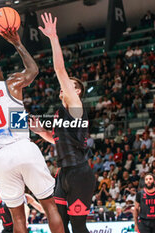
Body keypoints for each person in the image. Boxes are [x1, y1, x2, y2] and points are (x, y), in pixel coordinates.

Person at [0, 26, 63, 233]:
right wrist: (17, 43)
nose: (1, 71)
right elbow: (33, 70)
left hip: (1, 158)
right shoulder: (11, 84)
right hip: (23, 147)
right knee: (50, 206)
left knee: (17, 218)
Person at [32, 12, 95, 233]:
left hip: (79, 173)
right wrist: (41, 132)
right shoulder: (61, 114)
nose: (65, 86)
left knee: (78, 227)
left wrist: (53, 38)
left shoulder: (76, 106)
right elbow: (55, 138)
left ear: (76, 91)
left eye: (70, 85)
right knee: (58, 223)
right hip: (63, 173)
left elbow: (59, 69)